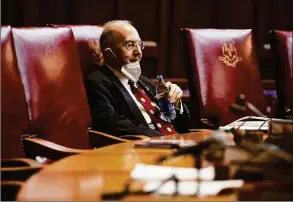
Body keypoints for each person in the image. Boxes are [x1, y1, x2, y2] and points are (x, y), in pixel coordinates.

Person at [85, 20, 190, 137]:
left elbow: (185, 125)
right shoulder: (97, 82)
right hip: (143, 148)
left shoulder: (144, 81)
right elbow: (112, 125)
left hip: (176, 142)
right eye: (129, 45)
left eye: (140, 45)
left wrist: (175, 102)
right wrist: (162, 139)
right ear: (109, 53)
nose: (138, 52)